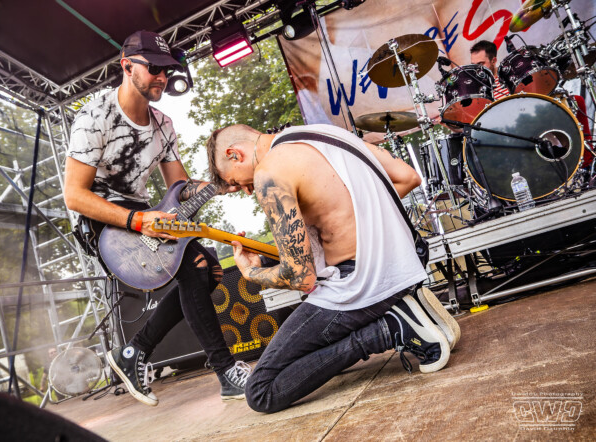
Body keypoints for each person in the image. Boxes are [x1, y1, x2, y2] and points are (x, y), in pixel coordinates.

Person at [205, 123, 460, 413]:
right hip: (403, 264)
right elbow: (408, 177)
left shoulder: (270, 173)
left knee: (261, 392)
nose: (244, 189)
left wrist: (251, 273)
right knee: (314, 357)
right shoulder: (325, 134)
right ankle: (410, 313)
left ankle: (390, 329)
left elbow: (301, 278)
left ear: (234, 154)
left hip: (358, 285)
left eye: (235, 182)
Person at [63, 30, 250, 407]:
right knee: (194, 266)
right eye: (154, 69)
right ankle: (226, 371)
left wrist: (220, 183)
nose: (163, 77)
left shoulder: (163, 124)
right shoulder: (95, 116)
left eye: (167, 69)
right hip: (102, 221)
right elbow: (75, 195)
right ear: (127, 66)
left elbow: (179, 189)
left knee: (208, 272)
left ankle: (133, 353)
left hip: (146, 212)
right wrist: (137, 222)